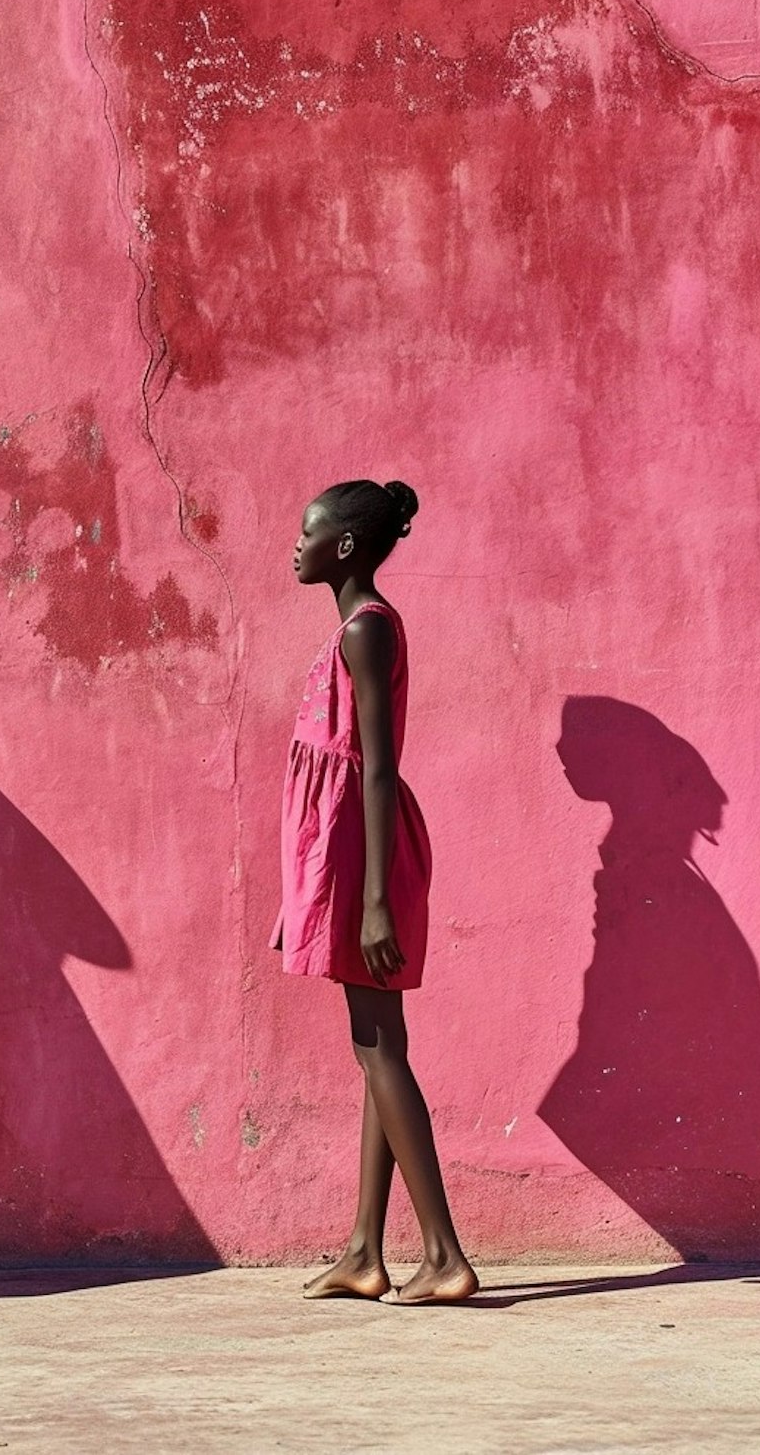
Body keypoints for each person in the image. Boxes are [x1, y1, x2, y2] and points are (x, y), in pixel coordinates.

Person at [273, 480, 476, 1305]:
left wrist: (372, 899)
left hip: (365, 851)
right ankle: (365, 1248)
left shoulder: (365, 632)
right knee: (376, 1041)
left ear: (345, 547)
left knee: (377, 1045)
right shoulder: (359, 629)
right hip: (346, 854)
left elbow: (379, 769)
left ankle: (444, 1254)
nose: (296, 543)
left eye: (307, 530)